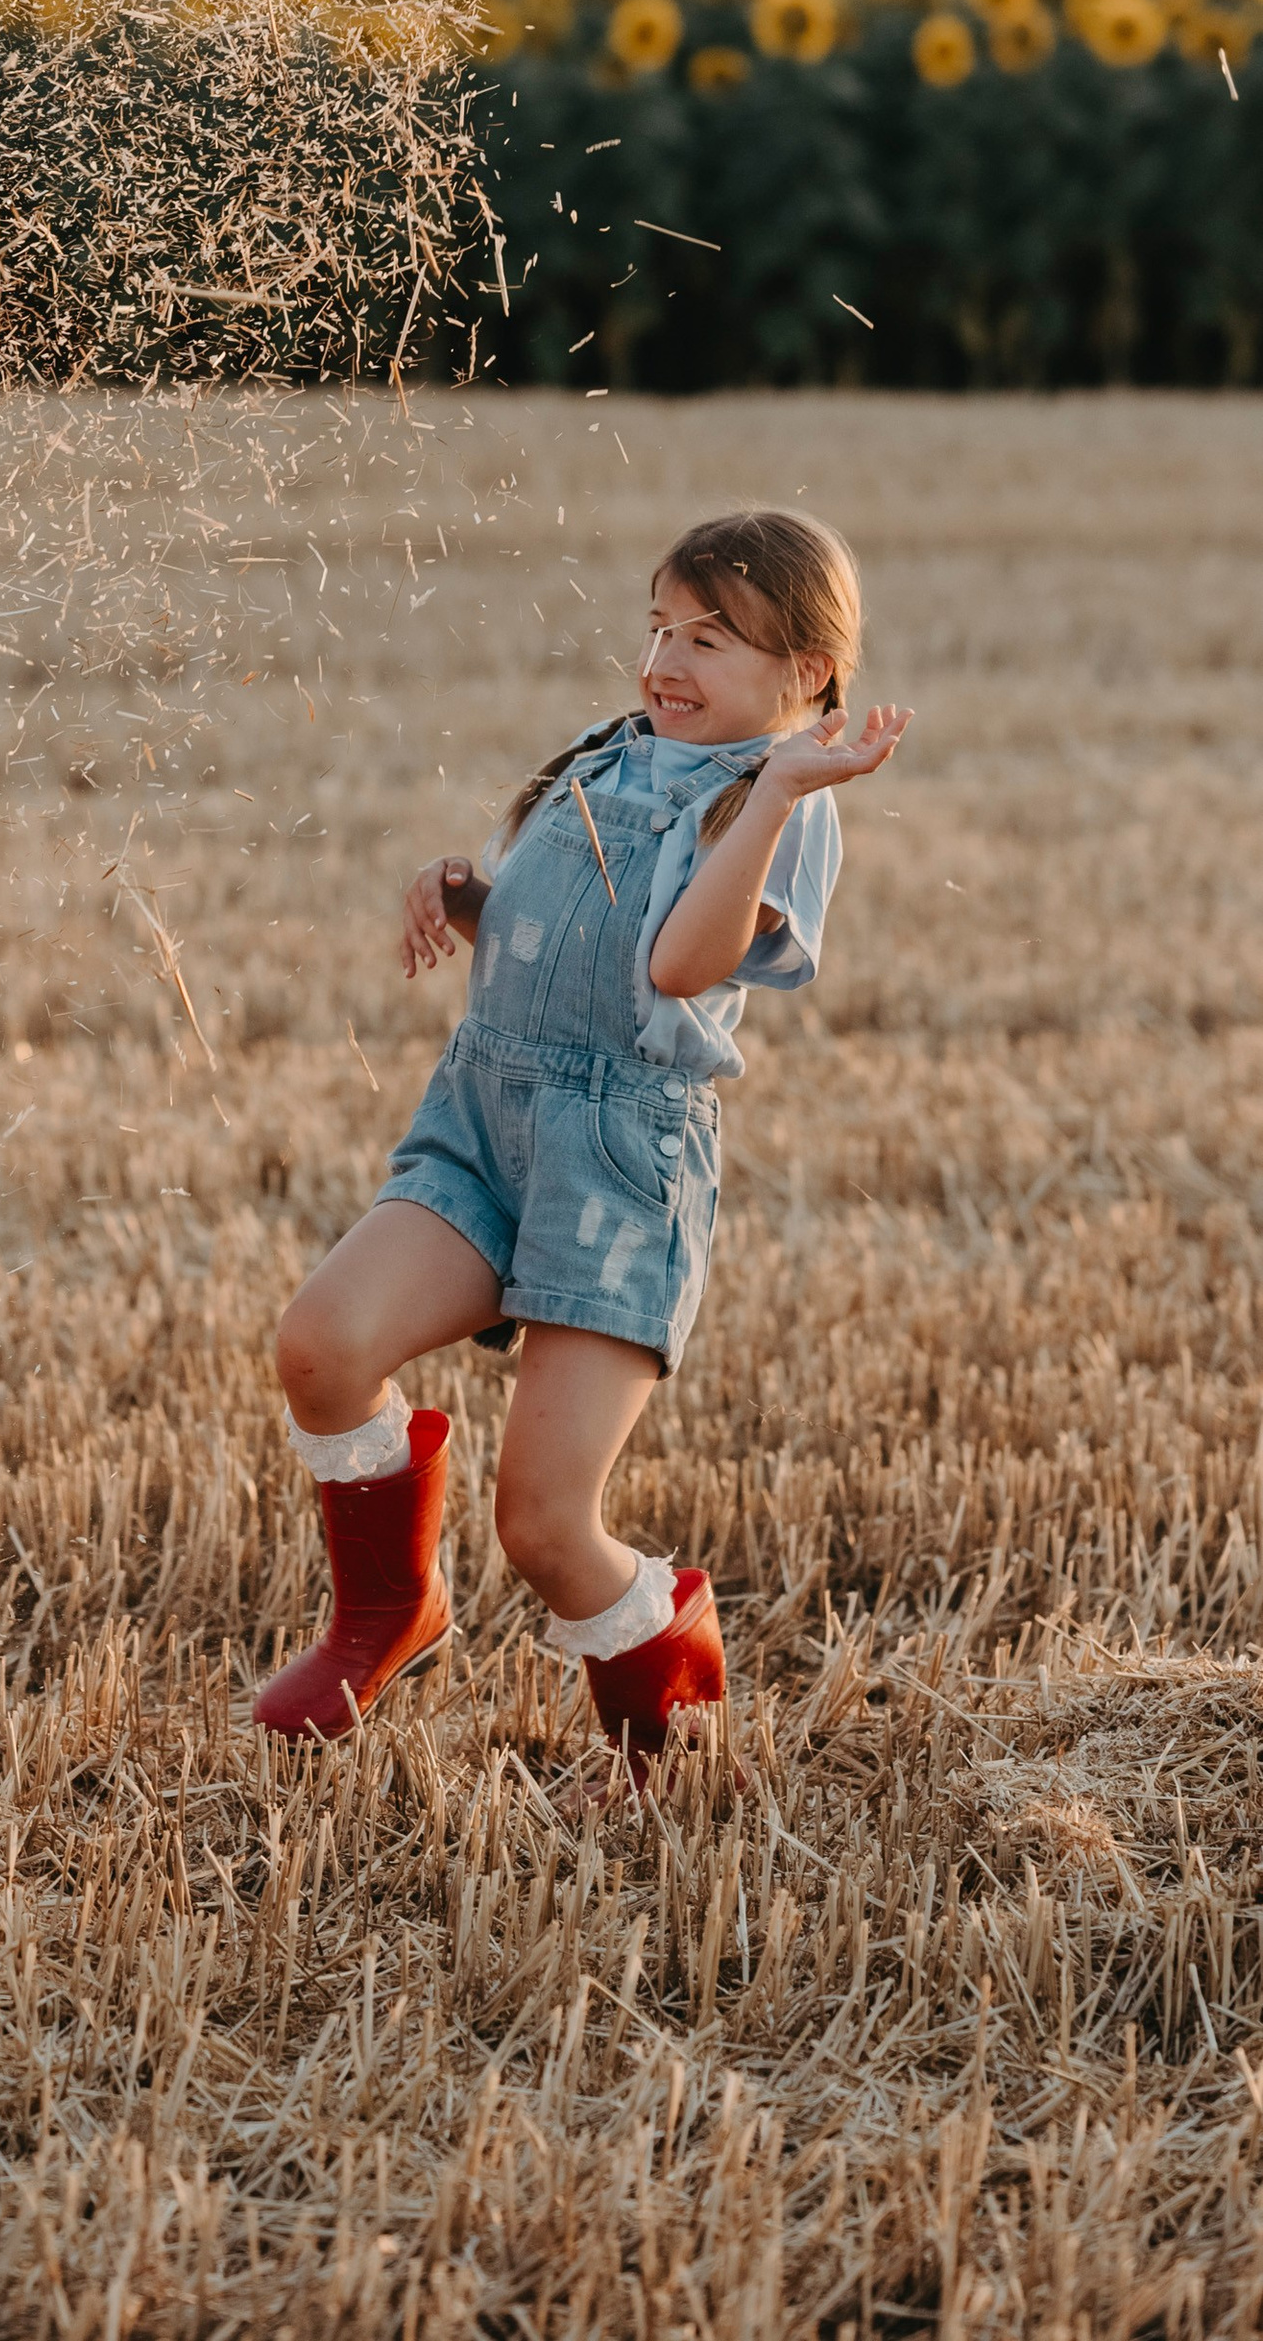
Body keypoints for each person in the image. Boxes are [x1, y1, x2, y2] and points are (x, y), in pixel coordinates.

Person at [255, 508, 909, 1769]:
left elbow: (674, 964)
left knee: (545, 1526)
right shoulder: (607, 754)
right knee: (320, 1348)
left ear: (806, 674)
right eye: (658, 626)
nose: (665, 659)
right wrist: (468, 897)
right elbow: (567, 935)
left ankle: (671, 1736)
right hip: (483, 1116)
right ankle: (390, 1611)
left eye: (709, 639)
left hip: (617, 1162)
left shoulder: (777, 803)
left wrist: (772, 789)